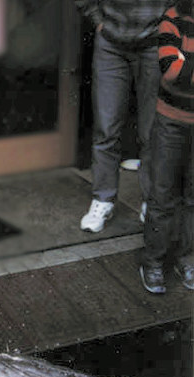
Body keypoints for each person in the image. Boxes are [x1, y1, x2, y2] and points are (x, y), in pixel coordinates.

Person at [76, 0, 173, 232]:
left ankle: (152, 202)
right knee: (106, 126)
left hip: (154, 44)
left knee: (152, 130)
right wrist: (98, 20)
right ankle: (103, 199)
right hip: (110, 43)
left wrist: (169, 27)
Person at [140, 0, 194, 293]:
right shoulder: (172, 18)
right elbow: (170, 70)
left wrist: (187, 67)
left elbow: (182, 69)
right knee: (162, 195)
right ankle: (153, 263)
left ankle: (187, 260)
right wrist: (182, 69)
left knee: (193, 197)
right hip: (171, 121)